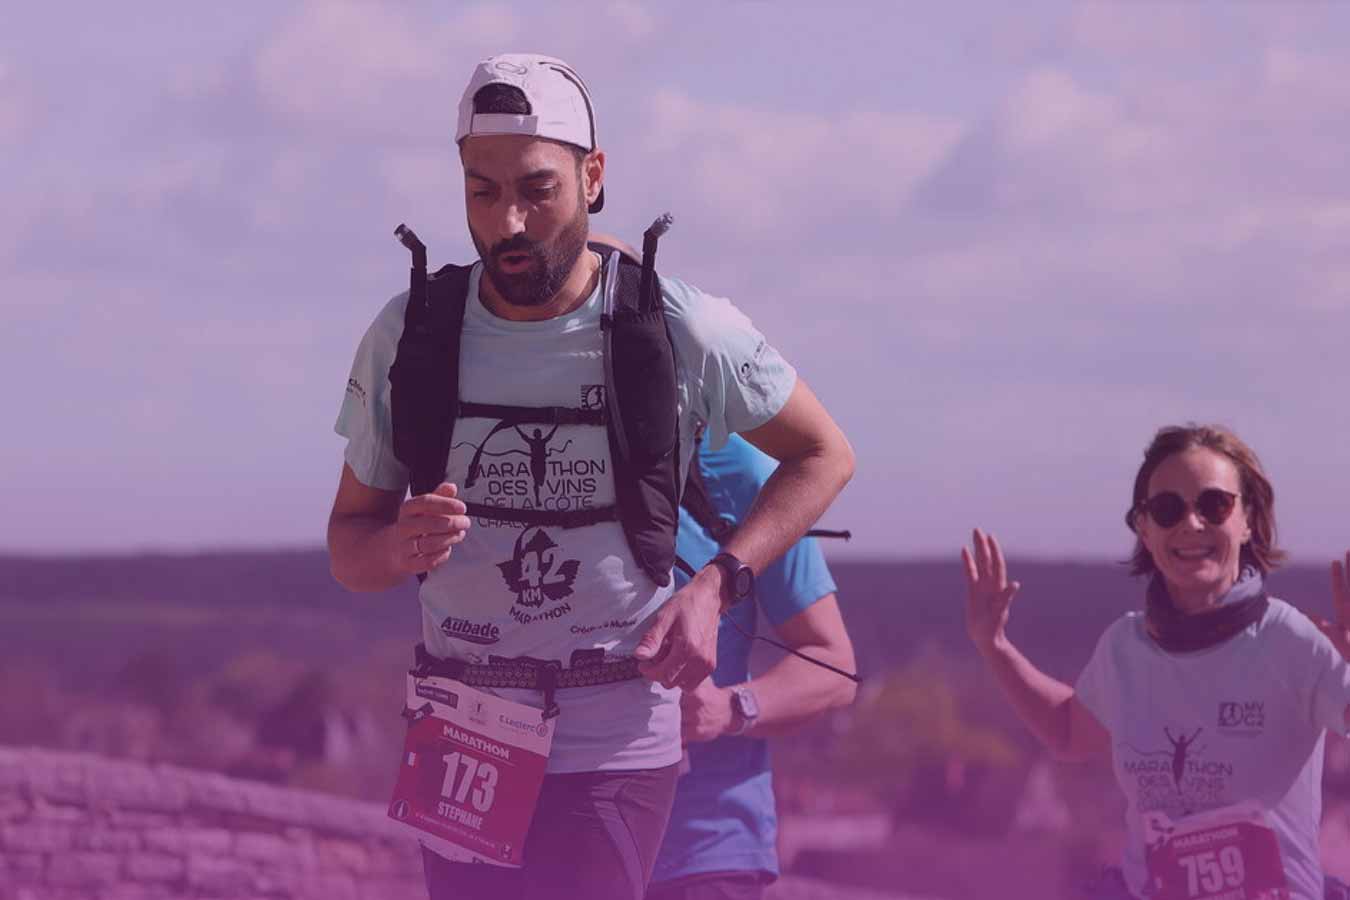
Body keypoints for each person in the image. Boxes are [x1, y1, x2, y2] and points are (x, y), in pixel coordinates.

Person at [327, 53, 854, 900]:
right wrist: (396, 547)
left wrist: (715, 586)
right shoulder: (411, 331)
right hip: (462, 724)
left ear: (593, 176)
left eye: (537, 189)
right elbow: (347, 550)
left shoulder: (673, 323)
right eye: (481, 191)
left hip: (614, 726)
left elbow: (824, 453)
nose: (508, 223)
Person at [962, 423, 1350, 900]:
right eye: (1168, 509)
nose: (1191, 523)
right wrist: (994, 646)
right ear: (1144, 529)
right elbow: (1068, 731)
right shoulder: (1125, 647)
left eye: (1214, 504)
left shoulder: (1291, 642)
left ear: (1248, 518)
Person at [646, 433, 858, 900]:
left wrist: (727, 709)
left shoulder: (742, 473)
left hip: (703, 851)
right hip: (545, 833)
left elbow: (834, 665)